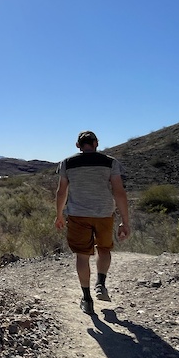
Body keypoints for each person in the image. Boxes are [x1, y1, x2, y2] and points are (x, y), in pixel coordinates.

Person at [55, 131, 130, 315]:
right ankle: (101, 284)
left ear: (77, 145)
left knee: (82, 255)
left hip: (78, 215)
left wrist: (58, 215)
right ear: (96, 143)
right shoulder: (110, 162)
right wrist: (125, 221)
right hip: (104, 214)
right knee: (104, 249)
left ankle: (87, 299)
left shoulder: (67, 163)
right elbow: (119, 192)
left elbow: (61, 191)